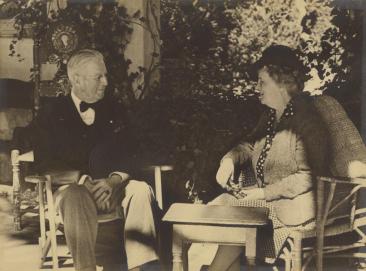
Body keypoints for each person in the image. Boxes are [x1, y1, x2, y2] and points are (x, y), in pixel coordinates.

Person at [32, 49, 159, 271]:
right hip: (73, 189)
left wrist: (114, 180)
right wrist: (83, 180)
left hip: (113, 187)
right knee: (74, 195)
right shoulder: (50, 113)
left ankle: (141, 267)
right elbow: (44, 162)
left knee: (140, 190)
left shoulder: (115, 110)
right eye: (98, 77)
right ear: (76, 79)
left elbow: (135, 151)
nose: (105, 82)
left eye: (106, 75)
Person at [209, 45, 329, 270]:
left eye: (262, 82)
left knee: (237, 215)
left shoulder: (308, 121)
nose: (257, 88)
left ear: (282, 83)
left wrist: (263, 193)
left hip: (295, 205)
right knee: (221, 211)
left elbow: (307, 177)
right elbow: (249, 145)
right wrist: (228, 161)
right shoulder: (270, 116)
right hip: (268, 202)